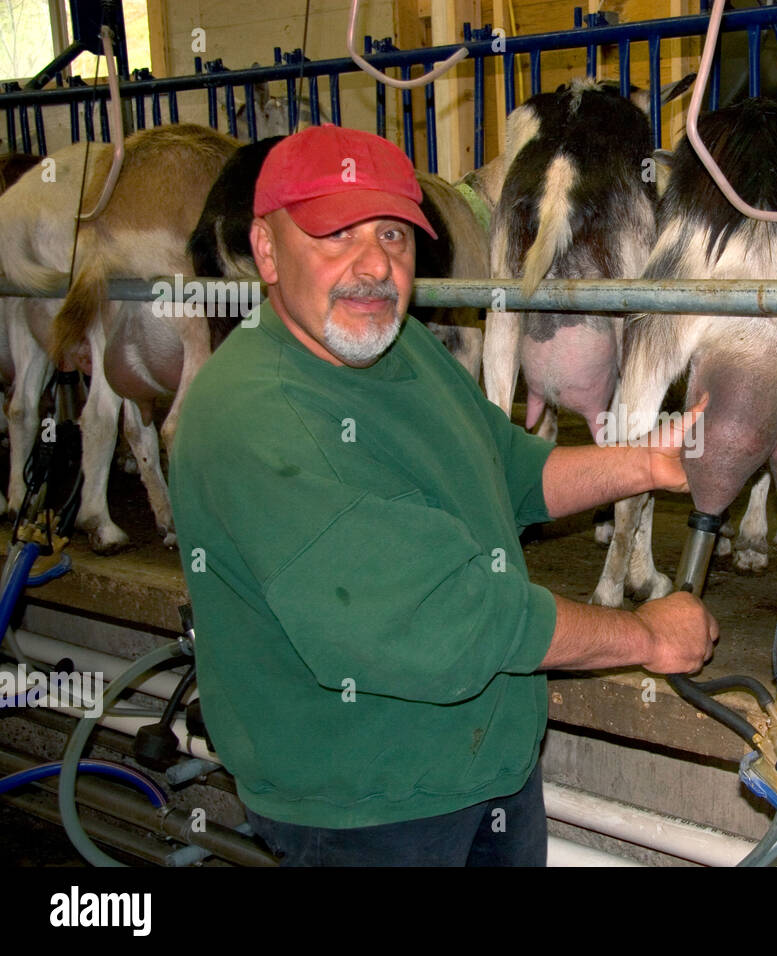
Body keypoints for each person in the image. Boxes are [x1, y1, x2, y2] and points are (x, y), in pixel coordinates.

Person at [168, 124, 718, 866]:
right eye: (336, 235)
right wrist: (647, 637)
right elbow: (450, 620)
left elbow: (511, 469)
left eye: (393, 235)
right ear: (266, 249)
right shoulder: (257, 414)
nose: (373, 266)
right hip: (365, 809)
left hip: (487, 775)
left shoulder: (404, 348)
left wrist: (643, 466)